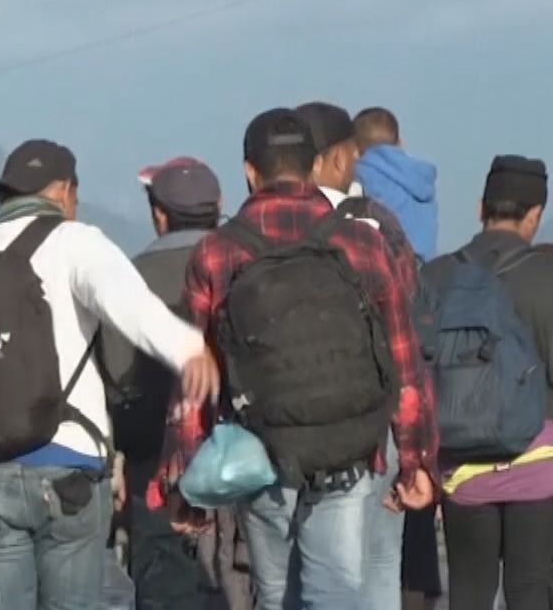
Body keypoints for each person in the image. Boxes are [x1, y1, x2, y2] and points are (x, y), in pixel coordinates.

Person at [158, 108, 437, 610]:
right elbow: (404, 361)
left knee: (274, 592)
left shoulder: (217, 253)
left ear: (249, 171)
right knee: (334, 590)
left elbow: (193, 378)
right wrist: (415, 458)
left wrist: (183, 475)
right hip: (350, 445)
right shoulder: (361, 241)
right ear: (314, 167)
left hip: (262, 449)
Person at [0, 140, 215, 610]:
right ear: (65, 191)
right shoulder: (75, 241)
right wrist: (189, 349)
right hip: (66, 464)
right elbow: (127, 305)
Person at [296, 100, 435, 608]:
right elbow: (406, 336)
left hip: (290, 422)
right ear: (340, 158)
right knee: (378, 563)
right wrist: (417, 450)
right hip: (375, 418)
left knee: (305, 572)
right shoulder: (375, 225)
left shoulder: (269, 228)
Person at [101, 157, 250, 610]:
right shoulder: (246, 260)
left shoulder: (129, 278)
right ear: (219, 204)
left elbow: (115, 376)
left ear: (159, 214)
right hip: (243, 459)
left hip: (156, 463)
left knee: (164, 583)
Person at [423, 155, 553, 610]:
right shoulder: (546, 279)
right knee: (531, 591)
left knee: (469, 592)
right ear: (535, 215)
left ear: (481, 207)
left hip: (461, 467)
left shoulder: (435, 277)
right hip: (538, 466)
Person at [354, 107, 440, 262]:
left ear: (354, 149)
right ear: (400, 142)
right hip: (425, 268)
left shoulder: (361, 173)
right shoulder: (422, 178)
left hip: (388, 264)